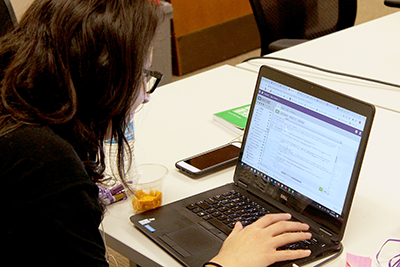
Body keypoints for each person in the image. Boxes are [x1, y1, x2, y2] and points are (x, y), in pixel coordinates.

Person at [0, 0, 311, 266]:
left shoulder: (14, 101)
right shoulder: (45, 162)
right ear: (103, 78)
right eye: (141, 77)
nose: (145, 96)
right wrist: (229, 262)